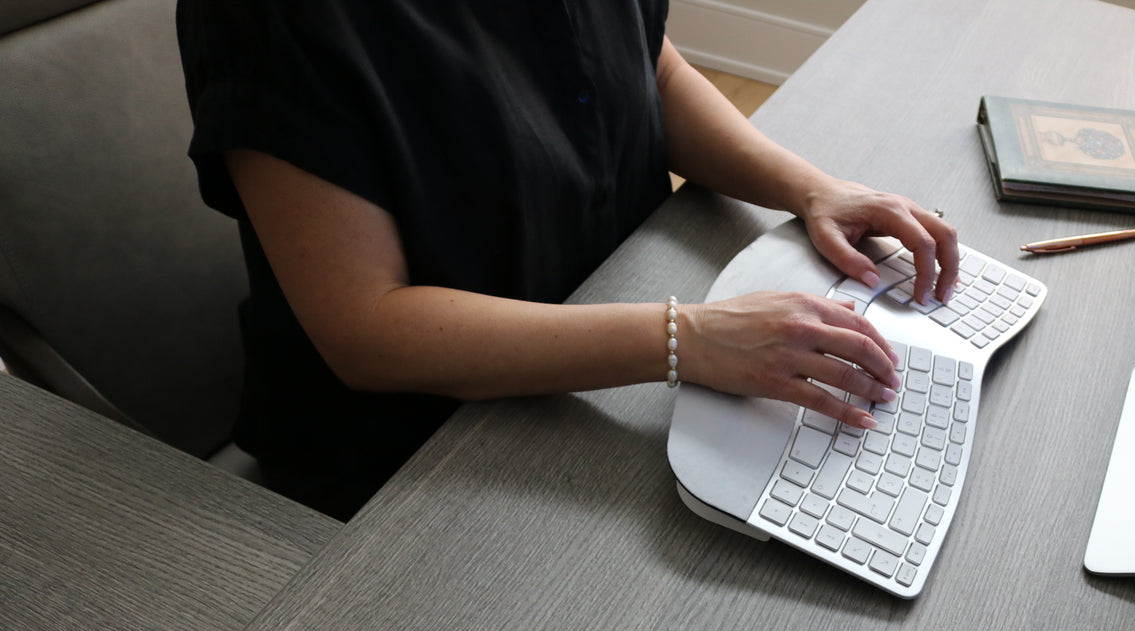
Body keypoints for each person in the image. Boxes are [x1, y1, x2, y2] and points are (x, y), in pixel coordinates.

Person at [177, 1, 959, 520]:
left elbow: (654, 69)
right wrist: (689, 339)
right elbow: (366, 329)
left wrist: (810, 188)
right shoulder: (267, 18)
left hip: (620, 325)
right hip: (419, 449)